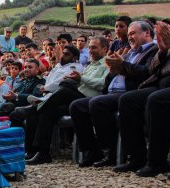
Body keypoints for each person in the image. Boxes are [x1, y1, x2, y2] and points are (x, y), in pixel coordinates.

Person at [114, 0, 170, 177]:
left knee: (156, 100)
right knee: (128, 100)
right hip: (165, 83)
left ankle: (157, 162)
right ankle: (136, 158)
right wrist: (164, 51)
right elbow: (152, 67)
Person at [70, 22, 158, 168]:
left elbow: (146, 72)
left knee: (97, 103)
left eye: (132, 33)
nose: (129, 37)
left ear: (147, 33)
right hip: (112, 92)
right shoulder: (130, 53)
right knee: (77, 106)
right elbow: (111, 78)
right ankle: (92, 151)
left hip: (131, 92)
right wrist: (112, 70)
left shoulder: (154, 50)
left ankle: (111, 151)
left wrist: (123, 65)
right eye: (129, 34)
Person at [25, 37, 109, 165]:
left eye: (94, 48)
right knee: (49, 111)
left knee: (65, 89)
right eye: (90, 47)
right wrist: (74, 80)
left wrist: (81, 79)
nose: (90, 51)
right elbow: (80, 82)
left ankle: (36, 106)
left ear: (104, 49)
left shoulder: (107, 63)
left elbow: (102, 84)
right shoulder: (91, 65)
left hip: (92, 99)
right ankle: (42, 152)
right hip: (78, 96)